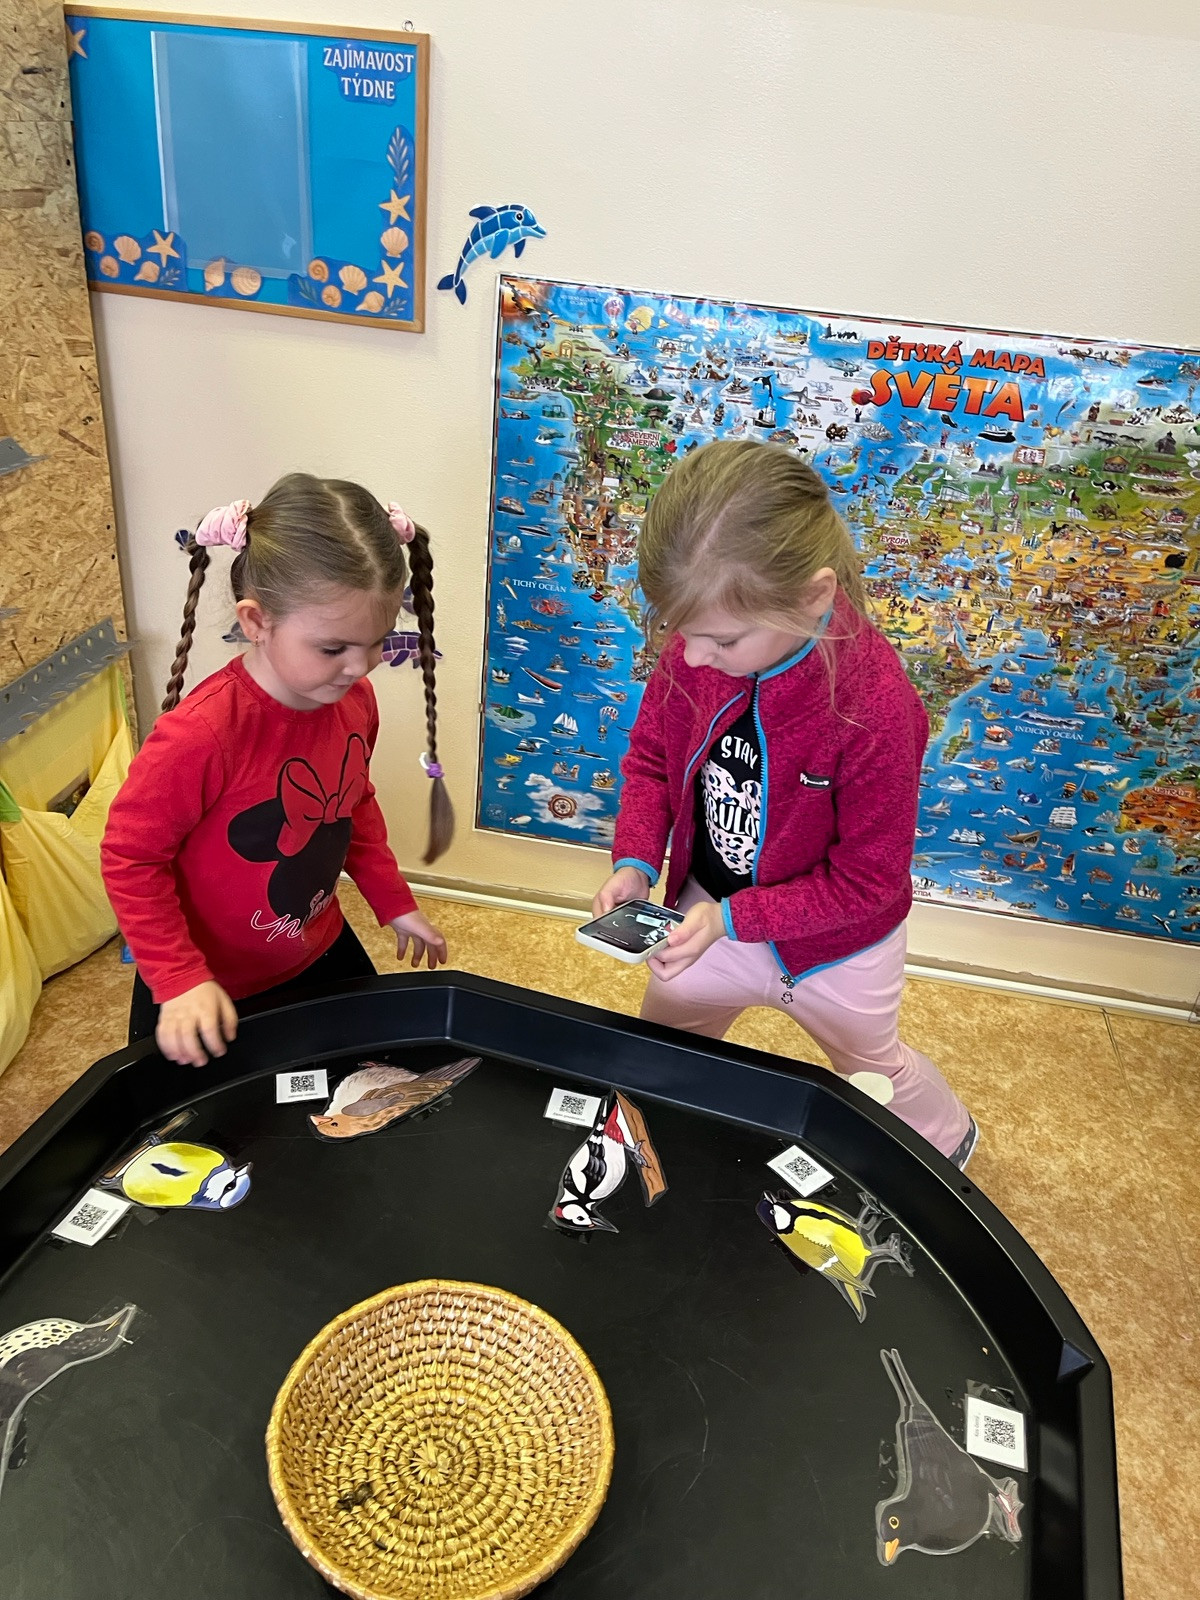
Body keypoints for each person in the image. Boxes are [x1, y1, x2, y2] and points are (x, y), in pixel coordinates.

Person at [593, 440, 977, 1167]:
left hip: (840, 948)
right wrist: (636, 860)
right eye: (681, 632)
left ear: (813, 596)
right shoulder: (696, 647)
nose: (691, 657)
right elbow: (650, 762)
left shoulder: (877, 707)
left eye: (721, 640)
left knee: (871, 1070)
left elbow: (868, 882)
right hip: (707, 914)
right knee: (663, 1049)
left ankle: (948, 1138)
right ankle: (656, 1143)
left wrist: (734, 919)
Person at [102, 474, 451, 1069]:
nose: (360, 667)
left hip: (317, 947)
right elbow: (130, 859)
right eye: (333, 648)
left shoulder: (354, 701)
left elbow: (353, 804)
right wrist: (179, 979)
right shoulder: (199, 736)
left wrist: (392, 900)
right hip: (206, 988)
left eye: (376, 642)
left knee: (368, 1090)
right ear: (256, 621)